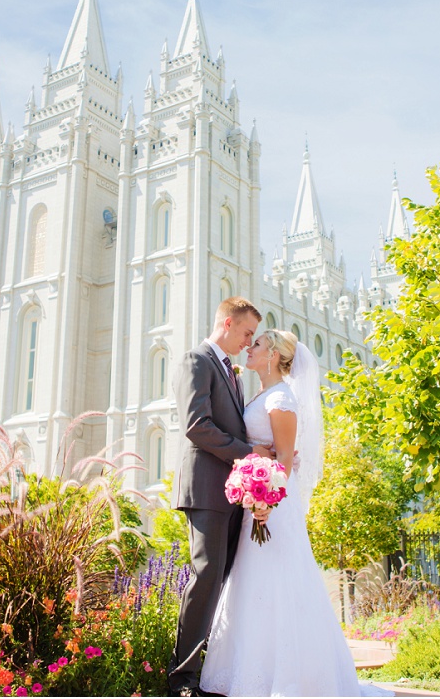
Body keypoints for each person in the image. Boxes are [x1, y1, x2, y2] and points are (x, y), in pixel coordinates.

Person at [199, 330, 391, 697]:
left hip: (272, 507)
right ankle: (253, 670)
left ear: (272, 354)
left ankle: (288, 677)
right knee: (254, 582)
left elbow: (285, 458)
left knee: (279, 581)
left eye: (256, 344)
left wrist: (266, 501)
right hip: (260, 502)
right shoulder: (261, 392)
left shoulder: (282, 398)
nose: (248, 348)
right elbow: (266, 448)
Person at [168, 297, 272, 697]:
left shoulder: (234, 374)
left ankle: (210, 673)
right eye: (247, 333)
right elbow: (197, 426)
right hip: (207, 488)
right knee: (206, 574)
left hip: (233, 493)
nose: (249, 342)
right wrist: (249, 453)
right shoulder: (196, 361)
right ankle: (182, 678)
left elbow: (237, 430)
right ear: (227, 324)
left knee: (223, 579)